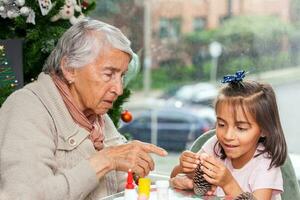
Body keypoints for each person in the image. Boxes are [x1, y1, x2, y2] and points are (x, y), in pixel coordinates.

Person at [0, 19, 167, 200]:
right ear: (70, 69)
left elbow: (122, 187)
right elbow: (23, 196)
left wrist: (171, 182)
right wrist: (105, 160)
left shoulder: (98, 116)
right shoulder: (26, 107)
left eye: (122, 75)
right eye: (109, 74)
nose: (118, 89)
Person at [170, 71, 287, 199]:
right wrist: (183, 168)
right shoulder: (214, 145)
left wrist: (228, 183)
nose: (228, 135)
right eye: (221, 124)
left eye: (241, 128)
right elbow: (174, 178)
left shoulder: (265, 164)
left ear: (264, 130)